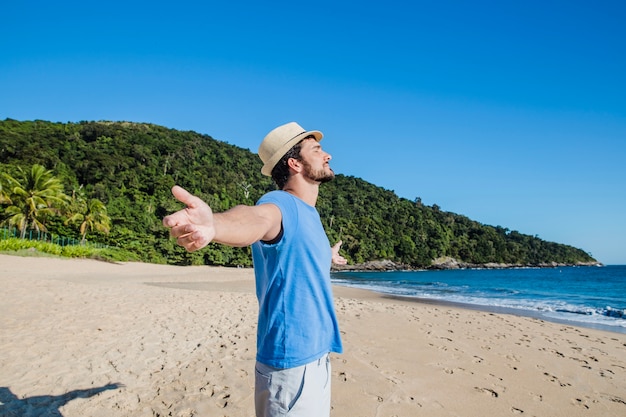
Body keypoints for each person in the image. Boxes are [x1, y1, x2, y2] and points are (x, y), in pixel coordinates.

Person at [162, 121, 346, 417]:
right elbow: (254, 219)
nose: (328, 155)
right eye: (317, 149)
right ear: (295, 163)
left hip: (315, 356)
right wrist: (215, 225)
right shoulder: (279, 203)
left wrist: (327, 255)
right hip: (292, 365)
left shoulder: (308, 215)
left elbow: (295, 253)